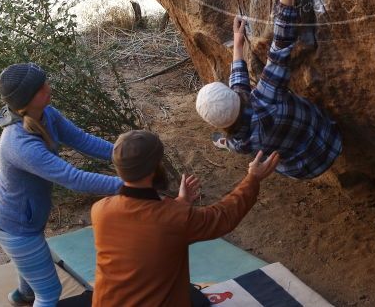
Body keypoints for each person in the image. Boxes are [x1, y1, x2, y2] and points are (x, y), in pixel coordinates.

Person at [196, 0, 342, 179]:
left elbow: (240, 92)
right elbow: (282, 42)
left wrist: (238, 46)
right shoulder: (267, 98)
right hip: (327, 138)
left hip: (302, 168)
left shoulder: (238, 143)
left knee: (236, 132)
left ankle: (220, 141)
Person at [0, 63, 124, 307]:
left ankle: (21, 297)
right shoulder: (18, 143)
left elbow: (81, 140)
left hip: (23, 217)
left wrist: (124, 154)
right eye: (41, 88)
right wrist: (126, 186)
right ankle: (27, 296)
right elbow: (74, 178)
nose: (48, 88)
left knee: (32, 282)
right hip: (15, 226)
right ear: (27, 99)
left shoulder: (46, 114)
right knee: (49, 293)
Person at [90, 130, 279, 307]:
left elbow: (147, 227)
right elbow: (222, 217)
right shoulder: (174, 219)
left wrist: (180, 203)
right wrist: (253, 178)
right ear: (155, 168)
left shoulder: (100, 210)